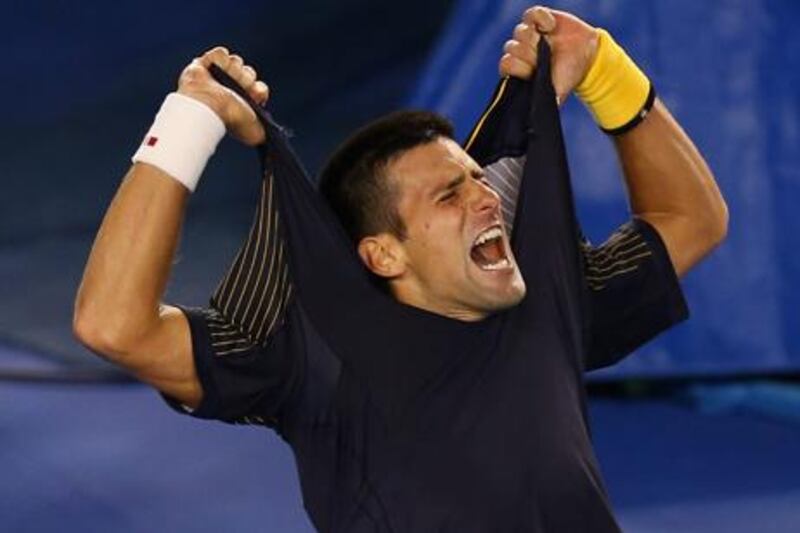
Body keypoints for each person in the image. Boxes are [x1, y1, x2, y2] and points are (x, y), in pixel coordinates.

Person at [74, 5, 727, 532]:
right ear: (383, 253)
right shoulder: (313, 358)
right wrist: (192, 118)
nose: (485, 197)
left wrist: (606, 71)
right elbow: (113, 324)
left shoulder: (544, 295)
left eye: (478, 179)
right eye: (450, 194)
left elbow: (693, 217)